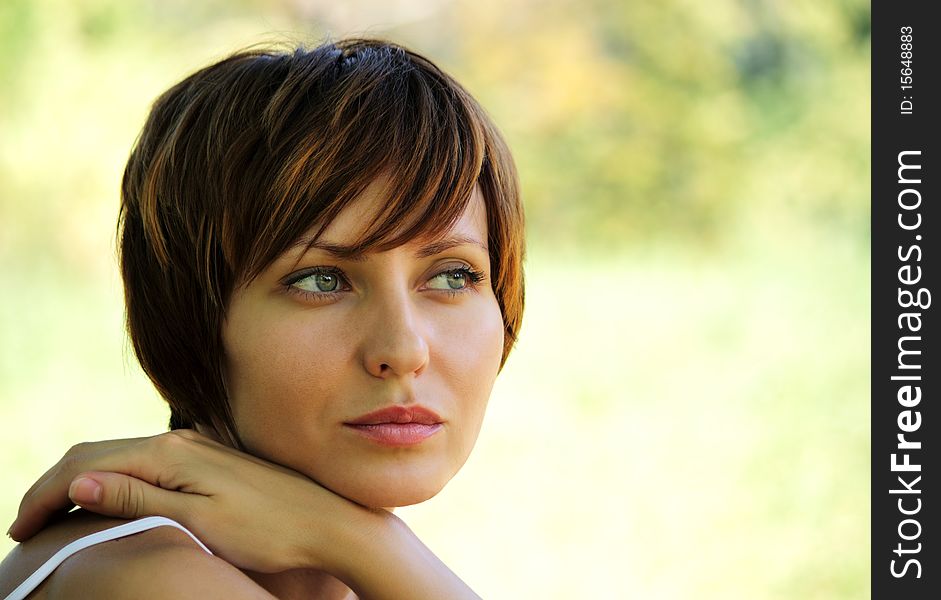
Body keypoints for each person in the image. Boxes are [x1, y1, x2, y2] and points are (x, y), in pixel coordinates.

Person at [0, 36, 525, 599]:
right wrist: (363, 544)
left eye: (452, 276)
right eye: (322, 280)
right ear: (189, 313)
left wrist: (355, 540)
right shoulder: (151, 579)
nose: (404, 349)